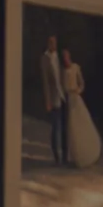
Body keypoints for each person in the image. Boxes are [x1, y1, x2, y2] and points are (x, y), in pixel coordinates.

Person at [60, 49, 102, 169]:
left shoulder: (75, 67)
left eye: (67, 56)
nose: (66, 59)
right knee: (72, 127)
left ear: (69, 57)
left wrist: (77, 91)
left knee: (82, 122)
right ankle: (76, 156)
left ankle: (88, 151)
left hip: (76, 99)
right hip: (69, 99)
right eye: (64, 57)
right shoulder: (63, 71)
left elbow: (81, 83)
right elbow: (62, 86)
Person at [40, 35, 68, 166]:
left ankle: (65, 156)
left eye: (55, 42)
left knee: (64, 127)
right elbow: (45, 81)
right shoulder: (45, 58)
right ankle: (57, 156)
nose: (53, 45)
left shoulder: (59, 57)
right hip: (53, 97)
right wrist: (48, 101)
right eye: (51, 42)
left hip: (63, 96)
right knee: (56, 127)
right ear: (48, 44)